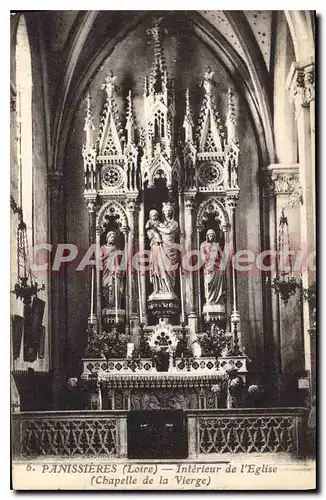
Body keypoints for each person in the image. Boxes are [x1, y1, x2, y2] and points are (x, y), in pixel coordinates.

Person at [200, 228, 225, 306]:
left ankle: (216, 300)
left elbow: (222, 255)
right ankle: (209, 300)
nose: (211, 237)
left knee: (216, 285)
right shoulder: (203, 245)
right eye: (210, 236)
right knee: (208, 283)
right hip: (208, 267)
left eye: (212, 236)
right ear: (207, 236)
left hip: (216, 267)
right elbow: (202, 256)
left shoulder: (216, 245)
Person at [101, 230, 124, 308]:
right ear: (107, 238)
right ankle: (108, 305)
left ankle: (114, 305)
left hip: (113, 272)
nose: (112, 239)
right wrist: (109, 254)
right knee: (106, 289)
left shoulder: (115, 248)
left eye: (113, 237)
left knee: (113, 288)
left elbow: (119, 260)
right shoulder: (103, 248)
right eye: (111, 237)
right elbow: (100, 259)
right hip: (106, 271)